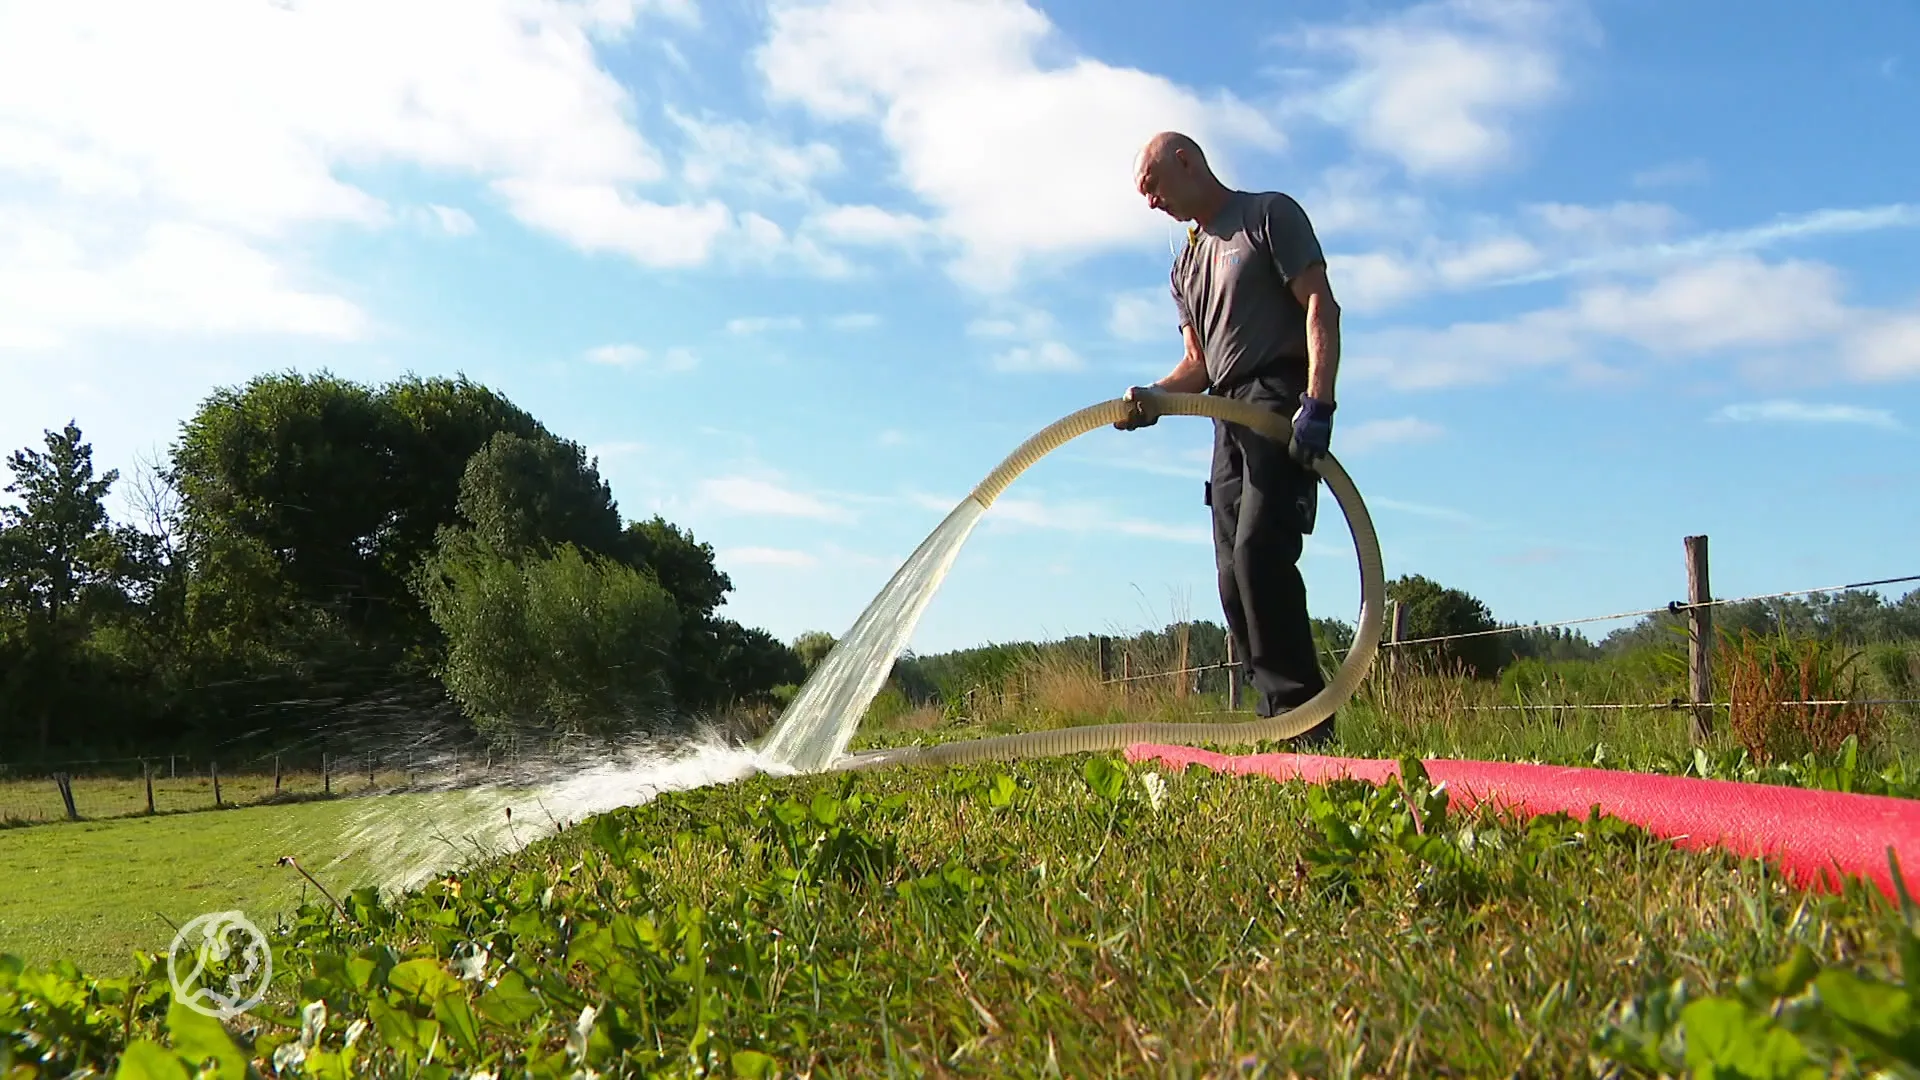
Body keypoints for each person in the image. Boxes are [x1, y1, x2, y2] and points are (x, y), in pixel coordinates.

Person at [1115, 131, 1342, 745]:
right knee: (1229, 574)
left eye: (1152, 186)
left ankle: (1306, 726)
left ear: (1185, 161)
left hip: (1277, 401)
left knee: (1259, 555)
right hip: (1224, 414)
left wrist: (1317, 402)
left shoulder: (1267, 215)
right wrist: (1155, 396)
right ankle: (1275, 721)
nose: (1152, 203)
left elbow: (1320, 302)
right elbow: (1198, 363)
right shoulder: (1183, 267)